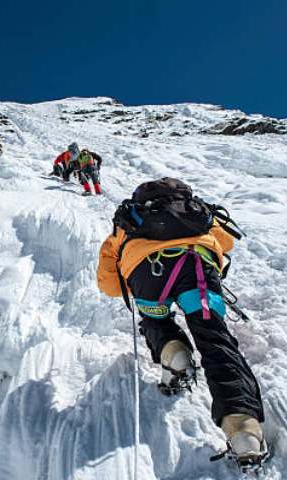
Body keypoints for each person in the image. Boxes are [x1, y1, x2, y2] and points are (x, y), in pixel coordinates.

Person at [96, 178, 266, 467]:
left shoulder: (127, 221)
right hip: (196, 267)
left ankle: (174, 356)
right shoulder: (195, 210)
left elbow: (110, 285)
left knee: (156, 321)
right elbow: (225, 242)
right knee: (214, 337)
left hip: (147, 273)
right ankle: (242, 429)